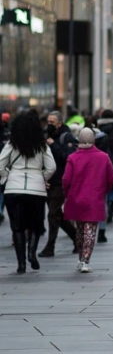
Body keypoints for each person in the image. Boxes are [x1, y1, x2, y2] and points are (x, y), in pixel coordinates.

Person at [0, 113, 56, 273]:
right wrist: (41, 177)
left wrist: (6, 176)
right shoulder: (42, 145)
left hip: (13, 189)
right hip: (36, 189)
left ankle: (21, 263)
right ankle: (32, 253)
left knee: (17, 227)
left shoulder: (11, 144)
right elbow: (51, 167)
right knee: (35, 224)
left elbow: (0, 163)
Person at [63, 128, 113, 273]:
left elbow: (66, 179)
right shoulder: (103, 157)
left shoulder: (73, 158)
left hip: (76, 199)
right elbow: (112, 178)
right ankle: (85, 260)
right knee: (90, 231)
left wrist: (68, 194)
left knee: (80, 229)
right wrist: (103, 191)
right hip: (95, 199)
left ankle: (81, 258)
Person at [36, 111, 78, 257]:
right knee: (57, 215)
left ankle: (50, 246)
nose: (49, 125)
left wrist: (53, 145)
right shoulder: (45, 136)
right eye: (47, 121)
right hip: (48, 181)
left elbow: (69, 158)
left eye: (52, 122)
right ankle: (77, 238)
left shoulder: (67, 137)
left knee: (53, 214)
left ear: (59, 123)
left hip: (61, 181)